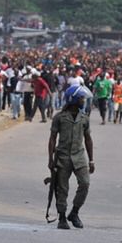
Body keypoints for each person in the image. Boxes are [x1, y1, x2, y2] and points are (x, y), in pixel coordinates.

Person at [48, 85, 95, 230]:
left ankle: (74, 212)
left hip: (79, 157)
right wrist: (50, 159)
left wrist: (91, 159)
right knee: (62, 188)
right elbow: (52, 139)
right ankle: (62, 217)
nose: (83, 100)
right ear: (74, 99)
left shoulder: (84, 118)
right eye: (81, 98)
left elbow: (88, 139)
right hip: (63, 157)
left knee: (85, 184)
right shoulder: (59, 117)